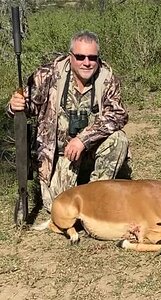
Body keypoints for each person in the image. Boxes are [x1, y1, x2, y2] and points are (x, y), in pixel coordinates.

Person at [7, 30, 131, 212]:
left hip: (89, 149)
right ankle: (76, 189)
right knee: (58, 207)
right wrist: (15, 106)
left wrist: (83, 139)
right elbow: (28, 107)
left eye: (92, 57)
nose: (87, 63)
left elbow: (118, 114)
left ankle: (96, 197)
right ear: (70, 56)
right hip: (58, 154)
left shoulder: (107, 77)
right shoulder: (47, 75)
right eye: (80, 57)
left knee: (119, 139)